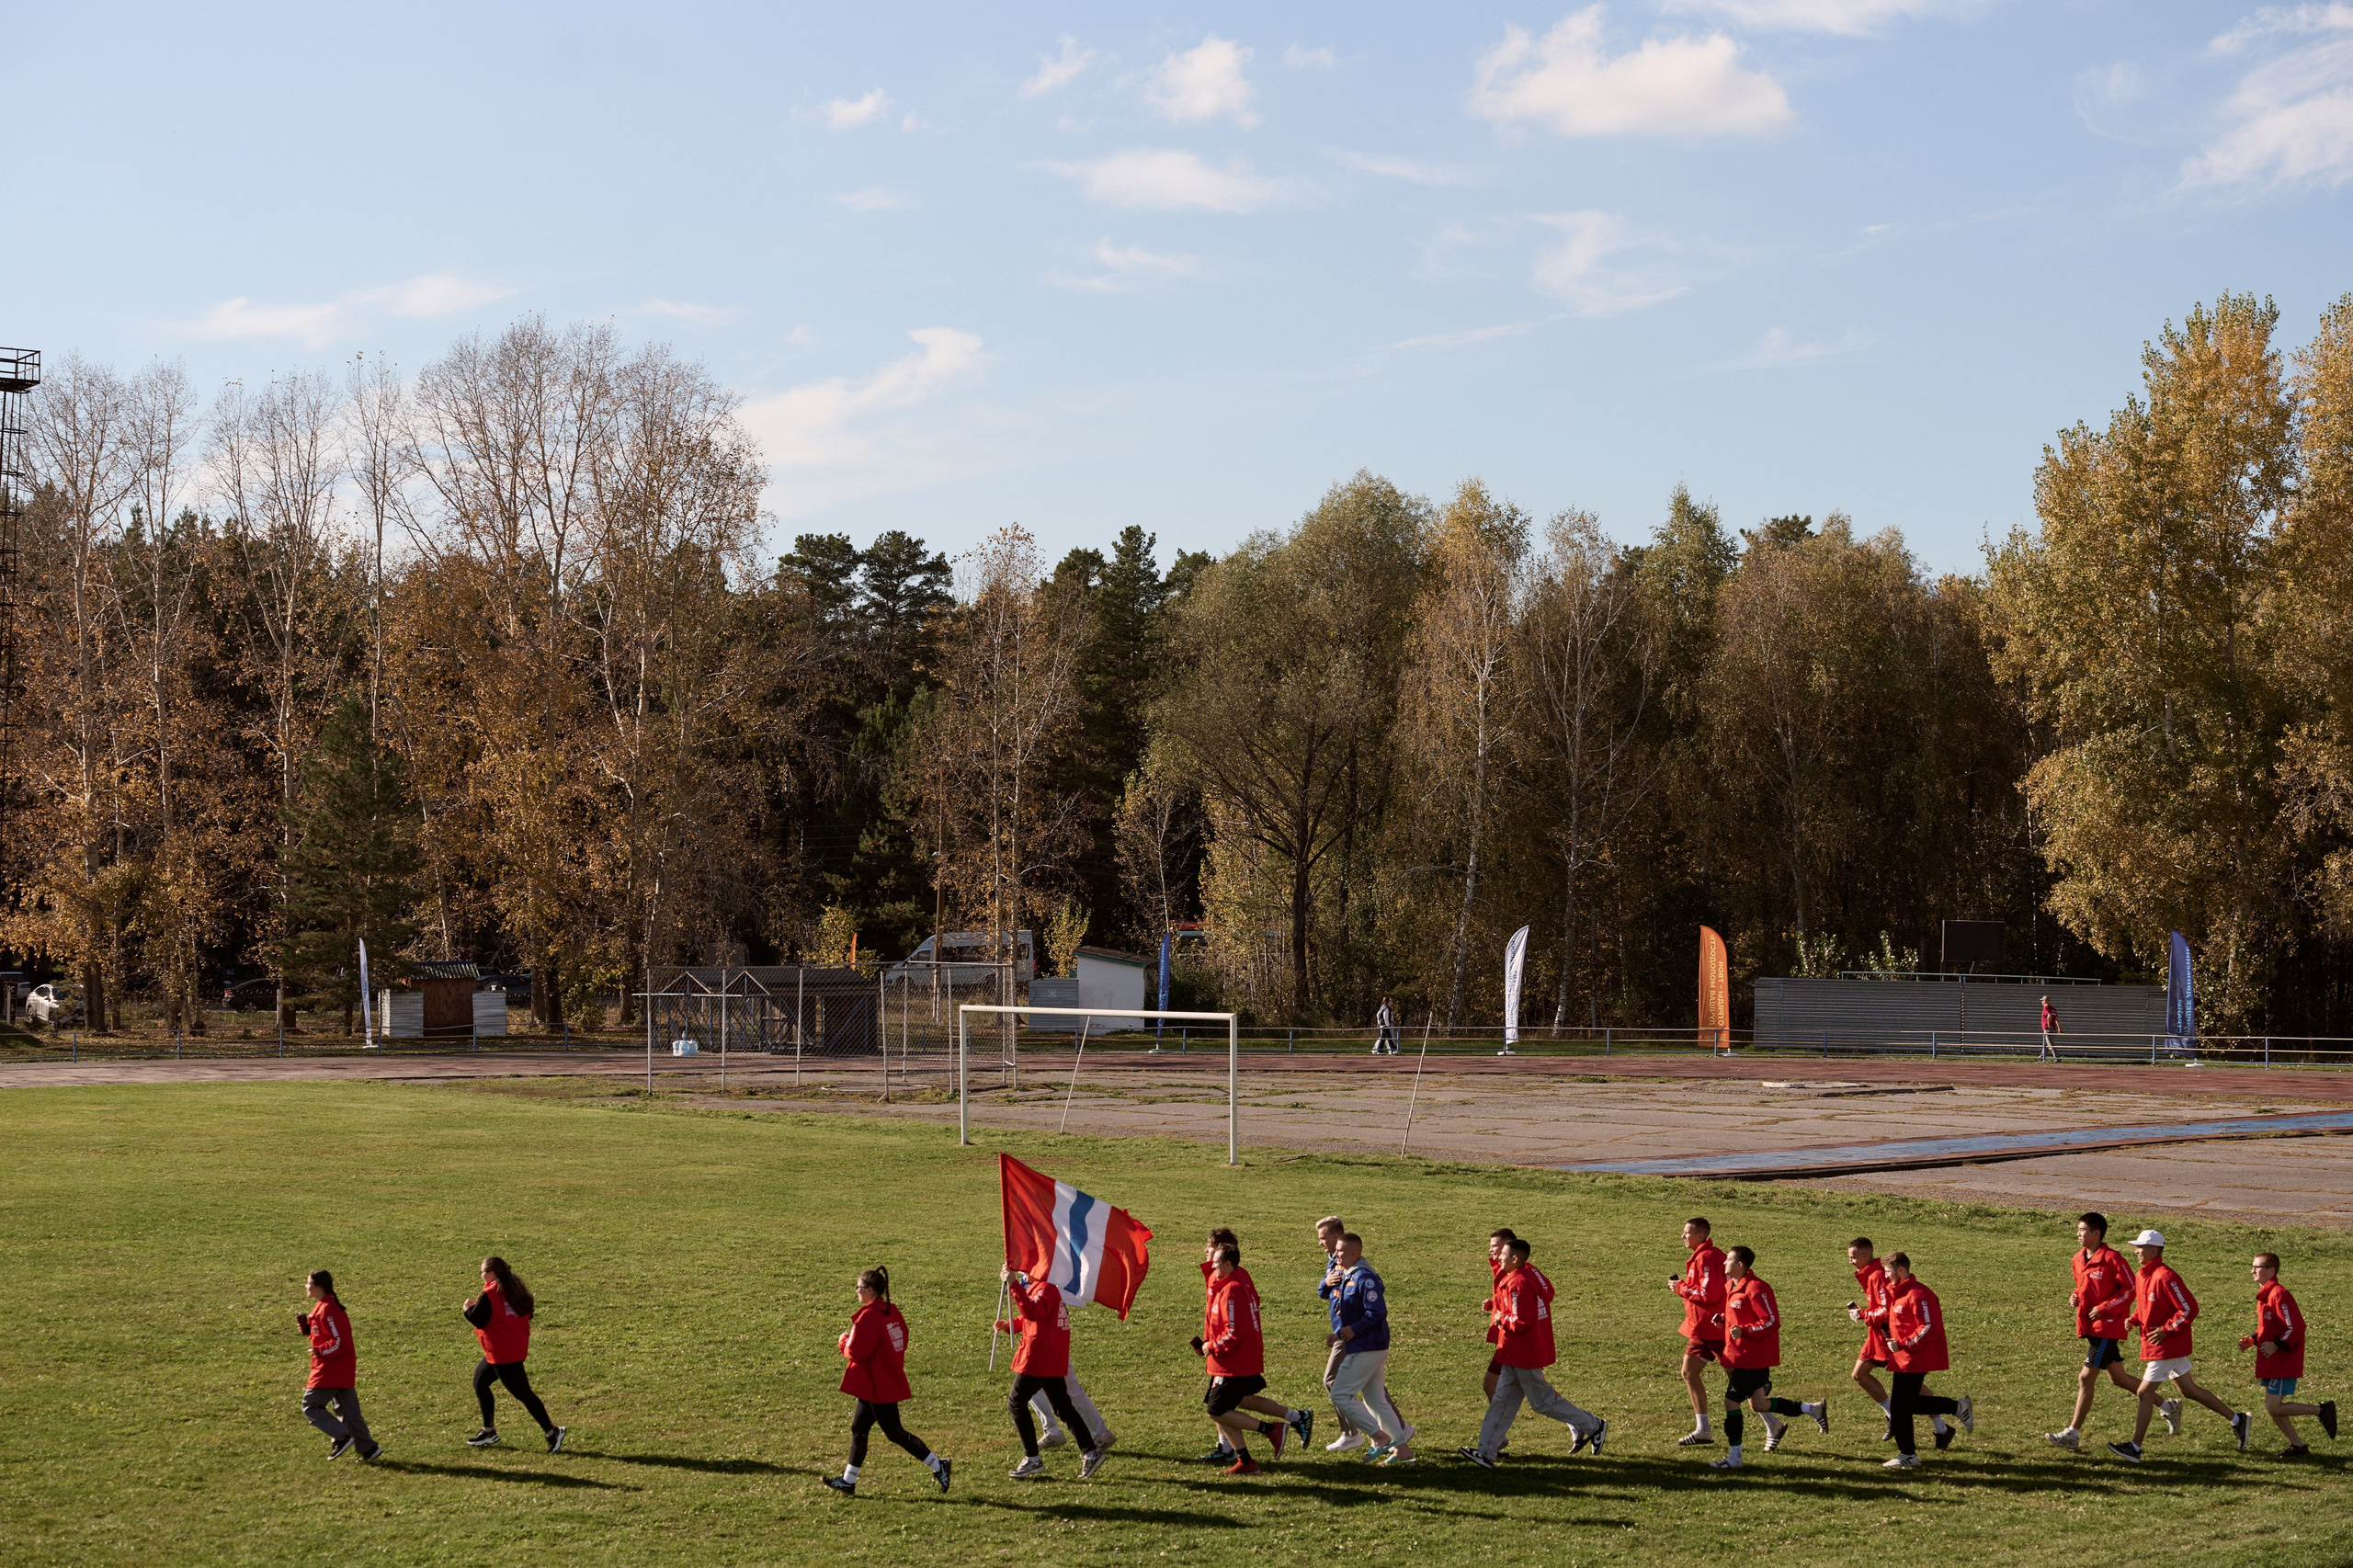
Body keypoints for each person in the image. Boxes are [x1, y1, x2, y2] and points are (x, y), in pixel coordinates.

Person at [1458, 1237, 1605, 1468]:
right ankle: (1485, 1453)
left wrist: (1501, 1318)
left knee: (1542, 1401)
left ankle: (1593, 1425)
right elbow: (1543, 1295)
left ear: (1515, 1258)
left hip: (1522, 1354)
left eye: (1503, 1254)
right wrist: (1497, 1306)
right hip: (1513, 1353)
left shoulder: (1518, 1283)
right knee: (1501, 1403)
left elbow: (1523, 1321)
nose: (1499, 1257)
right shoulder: (1524, 1275)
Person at [2107, 1230, 2250, 1461]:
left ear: (2154, 1250)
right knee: (2188, 1390)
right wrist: (2134, 1319)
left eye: (2141, 1247)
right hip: (2158, 1345)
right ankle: (2237, 1420)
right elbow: (2146, 1306)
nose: (2136, 1251)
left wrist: (2166, 1330)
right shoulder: (2143, 1275)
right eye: (2137, 1247)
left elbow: (2189, 1308)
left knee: (2144, 1393)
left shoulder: (2166, 1276)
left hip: (2167, 1346)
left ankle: (2134, 1448)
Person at [824, 1266, 949, 1496]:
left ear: (870, 1290)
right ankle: (848, 1481)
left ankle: (938, 1465)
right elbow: (902, 1338)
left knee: (895, 1433)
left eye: (859, 1287)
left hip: (878, 1384)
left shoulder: (869, 1317)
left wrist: (843, 1342)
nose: (856, 1291)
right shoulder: (890, 1311)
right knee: (859, 1429)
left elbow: (855, 1351)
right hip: (882, 1379)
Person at [1194, 1239, 1314, 1474]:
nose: (1212, 1264)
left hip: (1233, 1363)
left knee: (1217, 1410)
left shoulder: (1232, 1289)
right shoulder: (1231, 1281)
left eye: (1215, 1260)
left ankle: (1272, 1430)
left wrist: (1212, 1346)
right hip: (1235, 1360)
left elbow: (1234, 1332)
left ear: (1227, 1263)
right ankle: (1245, 1460)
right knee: (1232, 1405)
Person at [1708, 1246, 1826, 1470]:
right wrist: (1724, 1320)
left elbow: (1771, 1322)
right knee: (1759, 1404)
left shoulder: (1757, 1288)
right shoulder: (1731, 1285)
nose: (1724, 1263)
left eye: (1728, 1260)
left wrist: (1744, 1331)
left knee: (1731, 1403)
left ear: (1740, 1265)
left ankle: (1735, 1457)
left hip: (1751, 1359)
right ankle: (1813, 1409)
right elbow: (1741, 1315)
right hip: (1739, 1355)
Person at [997, 1266, 1107, 1479]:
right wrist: (1010, 1325)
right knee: (1063, 1407)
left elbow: (1033, 1312)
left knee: (1016, 1402)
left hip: (1040, 1358)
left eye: (1026, 1270)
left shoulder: (1046, 1289)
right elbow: (1033, 1317)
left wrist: (1013, 1284)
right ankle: (1090, 1452)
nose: (1023, 1273)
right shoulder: (1045, 1289)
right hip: (1050, 1358)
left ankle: (1032, 1458)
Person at [2047, 1211, 2142, 1450]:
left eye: (2082, 1230)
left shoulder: (2113, 1259)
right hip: (2091, 1326)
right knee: (2118, 1378)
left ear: (2096, 1233)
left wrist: (2104, 1308)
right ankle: (2167, 1406)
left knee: (2086, 1378)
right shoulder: (2078, 1258)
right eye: (2078, 1230)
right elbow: (2082, 1287)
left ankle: (2072, 1433)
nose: (2078, 1234)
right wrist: (2075, 1296)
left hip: (2106, 1328)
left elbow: (2130, 1289)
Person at [1320, 1215, 1409, 1451]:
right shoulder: (1343, 1269)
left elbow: (1376, 1311)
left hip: (1367, 1344)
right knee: (1376, 1400)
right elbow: (1340, 1304)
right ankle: (1402, 1448)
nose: (1336, 1255)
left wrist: (1352, 1330)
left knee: (1340, 1393)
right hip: (1358, 1342)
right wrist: (1339, 1333)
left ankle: (1376, 1436)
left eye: (1339, 1251)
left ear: (1352, 1251)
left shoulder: (1363, 1275)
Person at [461, 1256, 565, 1453]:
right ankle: (488, 1430)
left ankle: (553, 1432)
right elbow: (528, 1313)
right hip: (510, 1348)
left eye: (482, 1272)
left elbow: (478, 1320)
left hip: (503, 1353)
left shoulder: (490, 1294)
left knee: (523, 1394)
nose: (481, 1275)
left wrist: (468, 1309)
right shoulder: (515, 1289)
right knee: (480, 1382)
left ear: (492, 1274)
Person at [2243, 1253, 2336, 1456]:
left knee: (2274, 1406)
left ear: (2271, 1270)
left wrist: (2276, 1345)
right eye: (2252, 1266)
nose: (2252, 1271)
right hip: (2272, 1361)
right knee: (2273, 1407)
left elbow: (2295, 1328)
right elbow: (2269, 1327)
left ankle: (2322, 1411)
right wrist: (2253, 1339)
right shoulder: (2265, 1294)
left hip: (2282, 1361)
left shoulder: (2279, 1294)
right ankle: (2298, 1446)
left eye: (2257, 1267)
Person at [1883, 1253, 1971, 1469]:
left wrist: (1902, 1343)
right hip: (1904, 1358)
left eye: (1888, 1272)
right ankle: (1957, 1407)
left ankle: (1908, 1455)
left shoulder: (1918, 1295)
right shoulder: (1900, 1293)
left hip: (1915, 1359)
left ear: (1901, 1271)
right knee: (1906, 1405)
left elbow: (1928, 1328)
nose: (1886, 1277)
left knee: (1900, 1408)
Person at [294, 1269, 381, 1462]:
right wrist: (309, 1331)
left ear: (319, 1287)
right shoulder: (324, 1307)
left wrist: (319, 1351)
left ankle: (342, 1437)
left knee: (310, 1405)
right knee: (349, 1413)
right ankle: (368, 1449)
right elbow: (327, 1335)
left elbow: (340, 1343)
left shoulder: (328, 1309)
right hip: (340, 1369)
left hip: (331, 1370)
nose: (306, 1286)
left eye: (309, 1283)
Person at [1672, 1217, 1729, 1445]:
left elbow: (1709, 1294)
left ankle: (1776, 1421)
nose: (1682, 1236)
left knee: (1742, 1383)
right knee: (1689, 1372)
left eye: (1686, 1233)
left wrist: (1680, 1287)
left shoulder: (1706, 1257)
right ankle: (1703, 1429)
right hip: (1702, 1329)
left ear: (1700, 1236)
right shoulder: (1704, 1255)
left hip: (1714, 1329)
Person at [1846, 1237, 1901, 1442]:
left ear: (1865, 1255)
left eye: (1853, 1257)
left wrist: (1863, 1314)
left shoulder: (1877, 1276)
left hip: (1888, 1335)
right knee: (1859, 1374)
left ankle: (1946, 1418)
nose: (1850, 1262)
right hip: (1877, 1334)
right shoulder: (1870, 1274)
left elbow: (1886, 1311)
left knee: (1909, 1383)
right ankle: (1892, 1416)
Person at [2040, 995, 2062, 1062]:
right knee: (2046, 1044)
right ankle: (2042, 1057)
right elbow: (2057, 1019)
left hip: (2048, 1029)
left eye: (2042, 1000)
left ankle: (2057, 1058)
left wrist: (2048, 1024)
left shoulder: (2046, 1008)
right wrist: (2059, 1028)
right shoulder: (2053, 1009)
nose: (2041, 1002)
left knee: (2050, 1045)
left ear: (2045, 1001)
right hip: (2053, 1029)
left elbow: (2049, 1015)